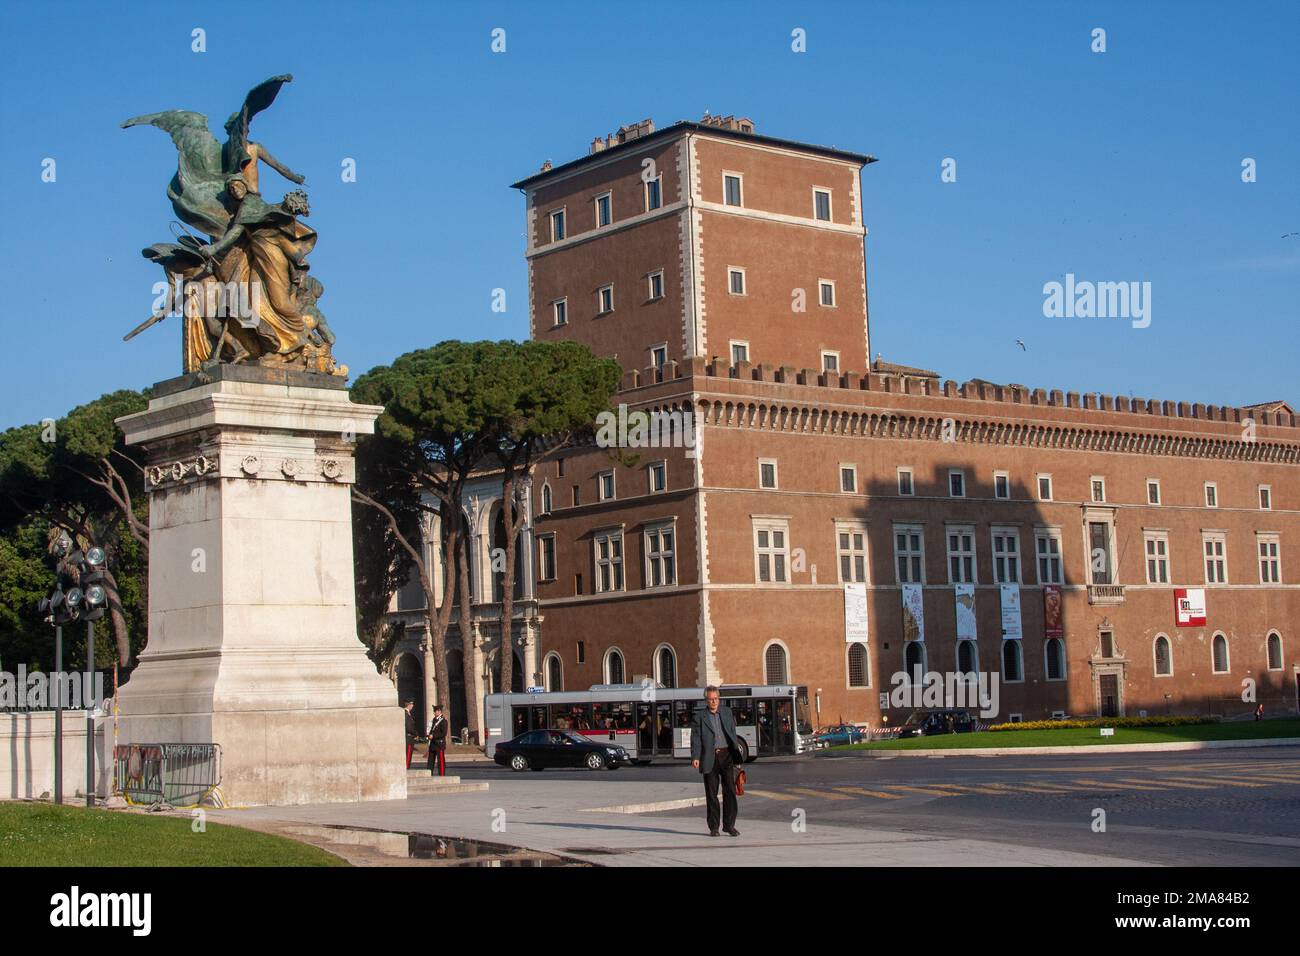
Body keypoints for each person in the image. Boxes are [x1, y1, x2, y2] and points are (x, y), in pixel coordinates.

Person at [690, 686, 743, 837]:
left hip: (727, 756)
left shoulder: (726, 712)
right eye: (710, 699)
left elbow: (732, 732)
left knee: (730, 792)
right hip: (710, 757)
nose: (713, 702)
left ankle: (729, 825)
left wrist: (736, 754)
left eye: (716, 699)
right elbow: (696, 738)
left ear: (719, 699)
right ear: (706, 700)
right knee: (711, 794)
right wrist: (695, 757)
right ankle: (714, 827)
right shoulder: (700, 716)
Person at [428, 705, 448, 776]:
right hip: (433, 743)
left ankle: (442, 774)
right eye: (434, 711)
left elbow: (444, 733)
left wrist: (433, 736)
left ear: (439, 711)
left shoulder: (443, 721)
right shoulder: (434, 720)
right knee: (430, 761)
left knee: (441, 761)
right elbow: (432, 730)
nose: (434, 713)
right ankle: (429, 774)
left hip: (439, 744)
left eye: (435, 711)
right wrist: (429, 735)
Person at [402, 700, 417, 769]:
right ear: (409, 705)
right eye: (412, 704)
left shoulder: (406, 713)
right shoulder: (406, 714)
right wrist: (416, 733)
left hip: (408, 737)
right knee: (408, 756)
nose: (413, 706)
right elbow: (409, 727)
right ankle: (407, 769)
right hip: (409, 738)